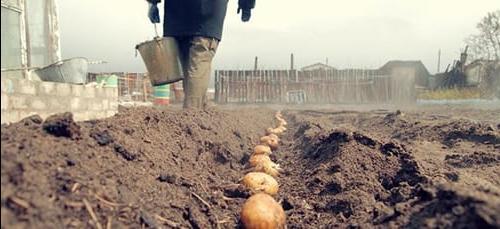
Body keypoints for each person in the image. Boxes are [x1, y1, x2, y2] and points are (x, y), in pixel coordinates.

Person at [146, 0, 256, 109]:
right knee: (198, 64)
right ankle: (192, 115)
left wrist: (153, 3)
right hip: (206, 17)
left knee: (188, 68)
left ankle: (198, 112)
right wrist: (246, 6)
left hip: (176, 14)